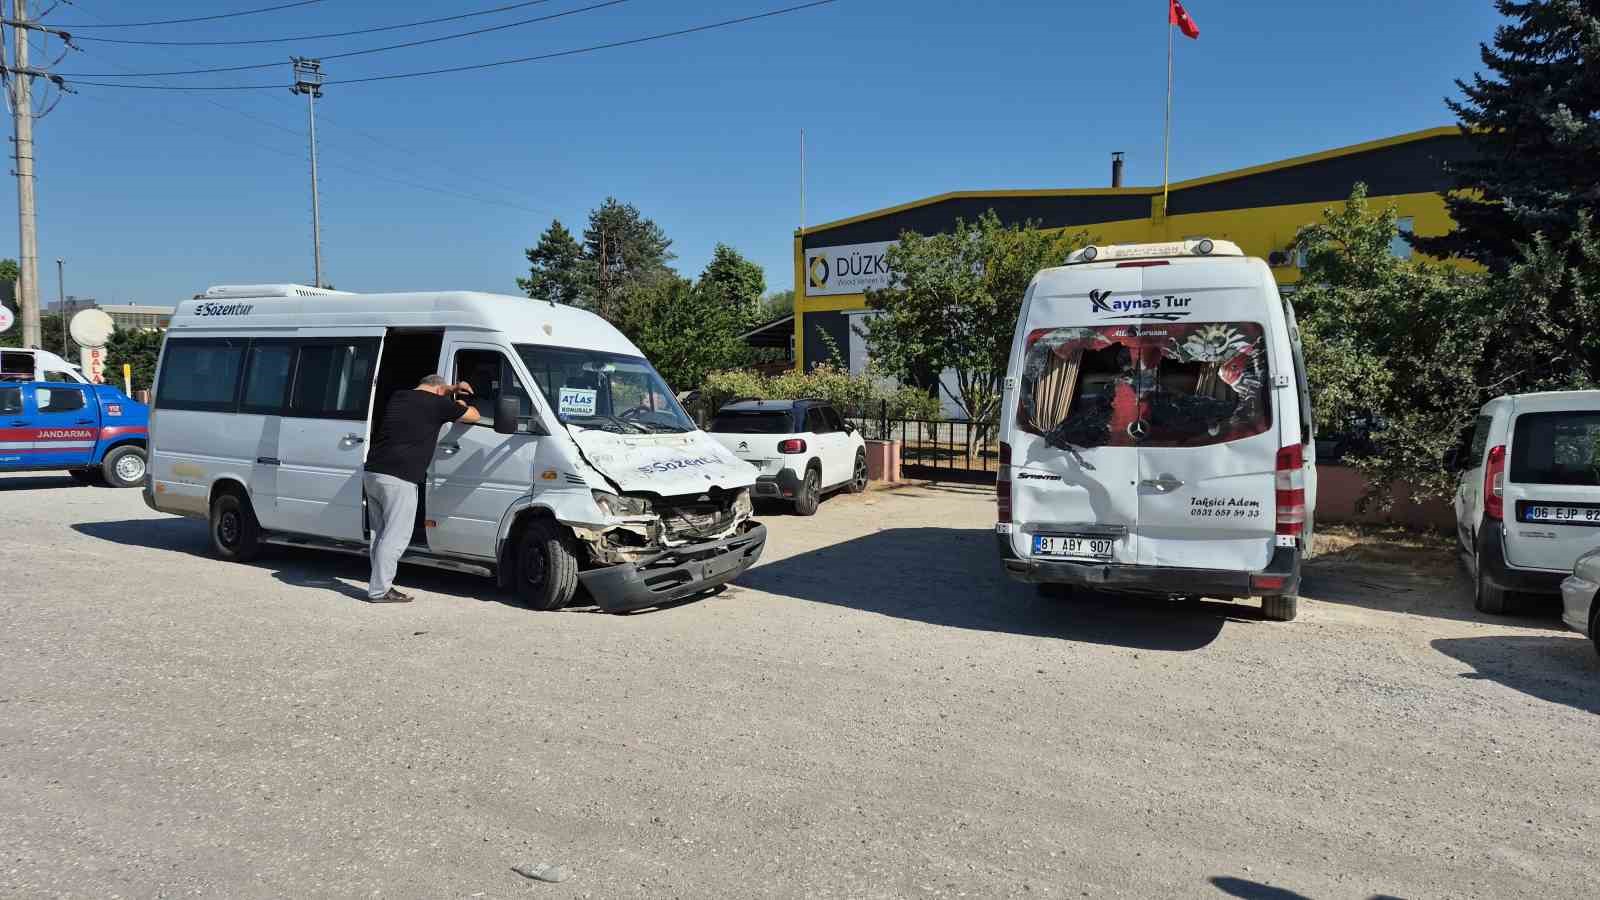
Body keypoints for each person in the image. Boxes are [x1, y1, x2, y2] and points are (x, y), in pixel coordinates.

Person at [361, 374, 480, 603]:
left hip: (373, 472)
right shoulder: (439, 404)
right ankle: (379, 590)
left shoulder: (400, 396)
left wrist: (451, 388)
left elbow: (434, 391)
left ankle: (379, 583)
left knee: (380, 534)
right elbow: (473, 415)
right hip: (400, 477)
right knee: (396, 536)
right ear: (439, 390)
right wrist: (460, 403)